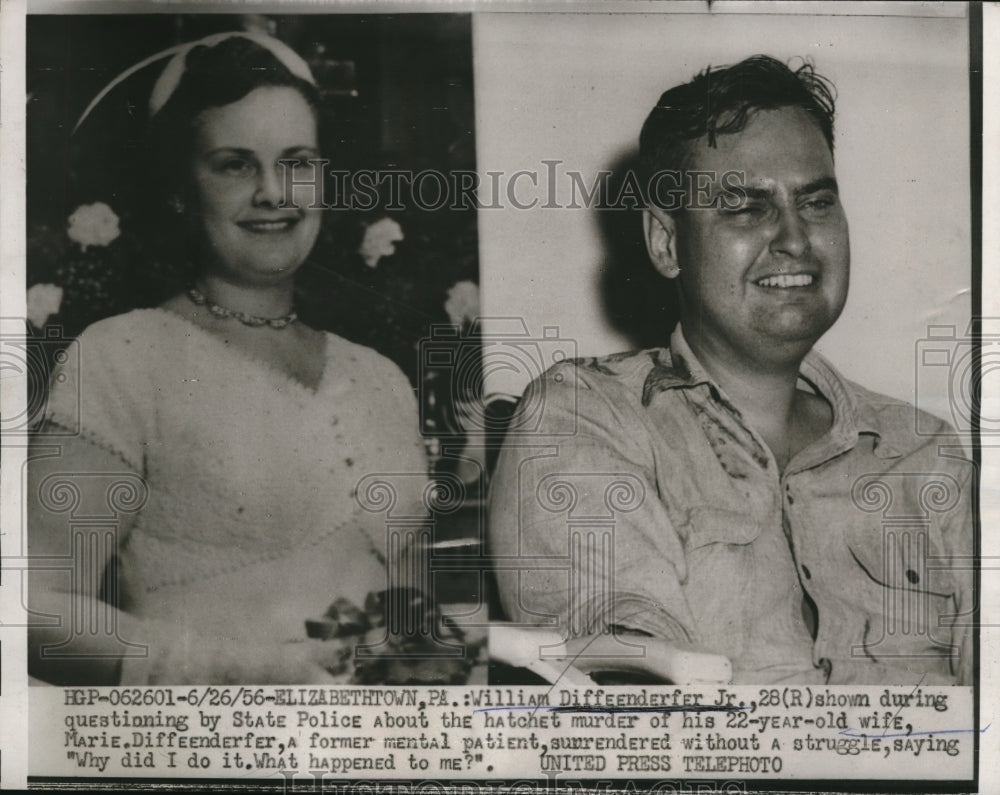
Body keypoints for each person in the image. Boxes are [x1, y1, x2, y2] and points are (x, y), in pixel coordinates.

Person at [489, 55, 973, 686]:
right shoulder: (585, 415)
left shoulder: (924, 452)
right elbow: (633, 696)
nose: (795, 239)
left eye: (816, 201)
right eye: (747, 208)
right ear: (667, 244)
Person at [28, 33, 428, 685]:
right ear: (182, 189)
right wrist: (242, 668)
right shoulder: (124, 358)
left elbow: (409, 609)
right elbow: (26, 612)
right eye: (234, 164)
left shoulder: (381, 377)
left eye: (297, 160)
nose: (274, 191)